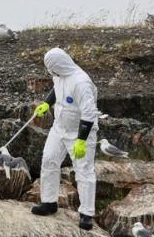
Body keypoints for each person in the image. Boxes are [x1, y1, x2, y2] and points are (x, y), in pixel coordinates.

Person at [31, 47, 99, 230]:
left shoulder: (81, 83)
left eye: (51, 67)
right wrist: (46, 103)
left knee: (84, 170)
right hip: (59, 127)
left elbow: (89, 113)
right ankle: (49, 203)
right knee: (49, 160)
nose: (50, 72)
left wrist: (82, 140)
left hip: (80, 132)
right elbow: (56, 89)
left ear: (59, 64)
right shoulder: (59, 74)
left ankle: (86, 214)